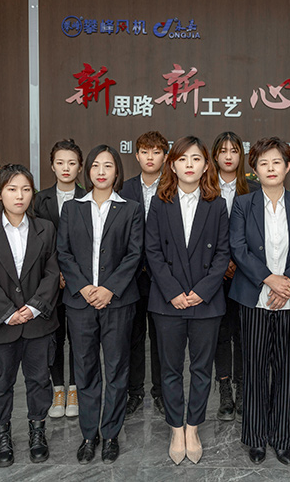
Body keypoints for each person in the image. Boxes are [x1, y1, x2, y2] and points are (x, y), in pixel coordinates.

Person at [229, 136, 290, 466]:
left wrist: (288, 284)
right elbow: (238, 248)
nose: (270, 168)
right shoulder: (243, 204)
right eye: (263, 163)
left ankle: (282, 439)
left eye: (276, 162)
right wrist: (270, 280)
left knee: (287, 369)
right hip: (255, 297)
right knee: (253, 369)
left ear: (287, 167)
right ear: (254, 169)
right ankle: (255, 438)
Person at [0, 164, 61, 467]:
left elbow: (53, 272)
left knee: (39, 381)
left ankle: (37, 432)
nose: (19, 196)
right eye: (12, 189)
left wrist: (33, 307)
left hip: (38, 323)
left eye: (25, 189)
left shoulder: (45, 229)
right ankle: (2, 435)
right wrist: (7, 313)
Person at [144, 136, 230, 465]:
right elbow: (152, 251)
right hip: (168, 302)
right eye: (183, 159)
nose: (189, 164)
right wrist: (173, 292)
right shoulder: (159, 202)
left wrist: (202, 291)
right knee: (169, 369)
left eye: (196, 159)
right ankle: (175, 427)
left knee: (201, 369)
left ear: (206, 165)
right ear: (173, 165)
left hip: (206, 302)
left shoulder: (216, 204)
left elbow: (222, 253)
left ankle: (192, 427)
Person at [57, 145, 144, 465]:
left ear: (117, 171)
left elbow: (135, 254)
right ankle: (88, 434)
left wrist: (109, 289)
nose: (101, 171)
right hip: (80, 303)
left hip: (118, 302)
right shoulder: (72, 209)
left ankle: (110, 434)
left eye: (108, 166)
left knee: (117, 369)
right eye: (95, 165)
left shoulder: (131, 209)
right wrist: (83, 287)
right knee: (85, 369)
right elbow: (63, 252)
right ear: (88, 171)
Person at [34, 139, 86, 419]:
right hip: (49, 282)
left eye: (72, 163)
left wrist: (71, 274)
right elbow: (36, 244)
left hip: (79, 281)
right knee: (53, 337)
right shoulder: (39, 200)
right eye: (60, 162)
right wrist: (56, 273)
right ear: (52, 166)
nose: (66, 168)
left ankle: (74, 389)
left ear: (80, 167)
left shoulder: (89, 197)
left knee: (78, 337)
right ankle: (58, 390)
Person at [210, 131, 260, 421]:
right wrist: (221, 263)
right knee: (220, 333)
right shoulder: (204, 188)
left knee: (243, 333)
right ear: (214, 156)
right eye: (223, 151)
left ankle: (242, 388)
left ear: (241, 156)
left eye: (234, 151)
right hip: (213, 275)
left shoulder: (253, 189)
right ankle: (224, 391)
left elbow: (258, 235)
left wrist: (239, 262)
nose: (228, 156)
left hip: (246, 274)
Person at [120, 131, 168, 418]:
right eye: (145, 152)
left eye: (156, 152)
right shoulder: (124, 190)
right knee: (133, 337)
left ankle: (161, 392)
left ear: (165, 156)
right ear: (136, 155)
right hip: (132, 277)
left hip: (164, 277)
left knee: (162, 339)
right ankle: (134, 392)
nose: (150, 157)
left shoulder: (174, 187)